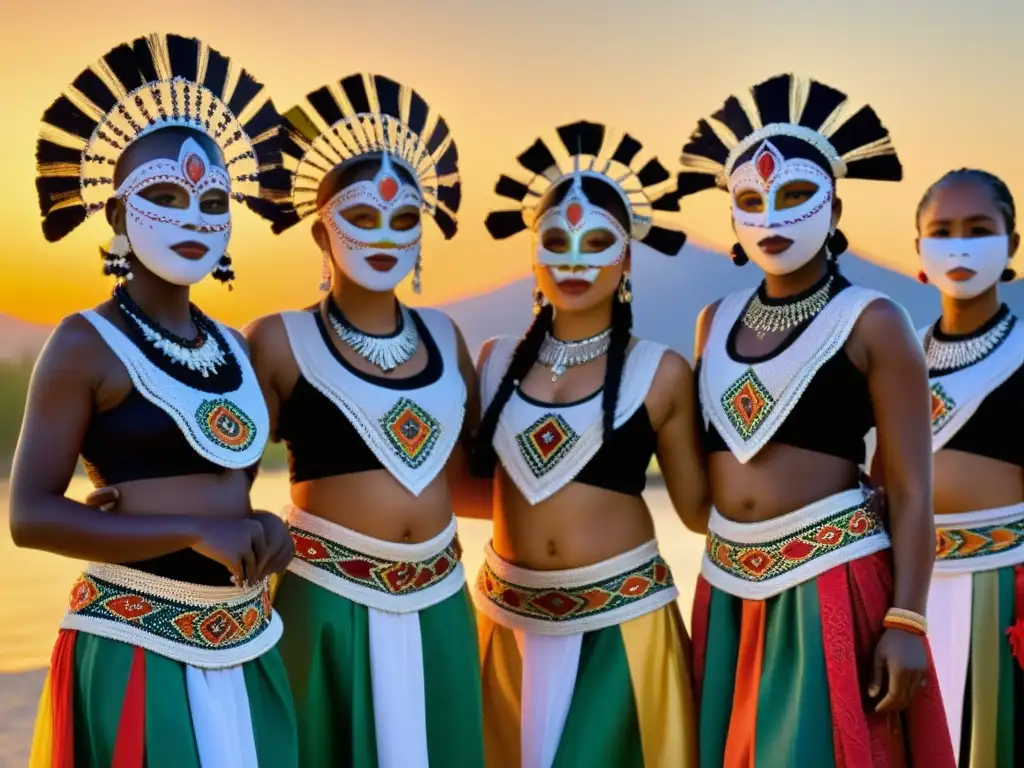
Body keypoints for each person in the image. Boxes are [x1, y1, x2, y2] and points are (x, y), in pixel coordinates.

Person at [14, 33, 298, 767]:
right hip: (137, 645)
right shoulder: (83, 343)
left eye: (211, 199)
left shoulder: (236, 346)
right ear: (116, 216)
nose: (193, 216)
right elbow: (29, 515)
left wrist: (264, 525)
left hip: (246, 640)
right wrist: (189, 533)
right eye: (165, 197)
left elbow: (227, 488)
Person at [675, 74, 954, 766]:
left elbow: (914, 488)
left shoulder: (876, 321)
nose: (770, 215)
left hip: (830, 580)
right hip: (727, 587)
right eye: (749, 200)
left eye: (794, 195)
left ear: (834, 205)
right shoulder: (714, 320)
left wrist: (908, 619)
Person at [244, 73, 485, 767]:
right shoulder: (279, 339)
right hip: (324, 600)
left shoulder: (447, 336)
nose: (384, 235)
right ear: (321, 231)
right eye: (361, 217)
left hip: (441, 597)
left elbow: (471, 479)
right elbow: (223, 472)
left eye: (404, 218)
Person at [474, 120, 706, 767]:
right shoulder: (492, 365)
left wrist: (830, 507)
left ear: (627, 257)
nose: (575, 258)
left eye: (598, 241)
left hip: (622, 626)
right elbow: (463, 491)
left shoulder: (659, 371)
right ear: (533, 255)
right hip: (505, 622)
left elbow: (698, 512)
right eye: (556, 239)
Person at [911, 168, 1024, 765]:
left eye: (979, 230)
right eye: (942, 230)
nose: (959, 246)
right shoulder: (893, 352)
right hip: (909, 600)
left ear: (1011, 244)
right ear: (920, 251)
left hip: (1004, 593)